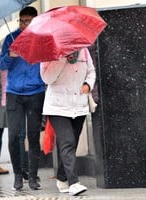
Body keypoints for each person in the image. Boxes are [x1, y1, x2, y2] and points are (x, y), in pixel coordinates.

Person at [0, 6, 46, 190]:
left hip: (36, 92)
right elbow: (1, 65)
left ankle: (32, 177)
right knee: (14, 136)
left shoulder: (41, 38)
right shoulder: (10, 39)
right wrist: (10, 55)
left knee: (33, 136)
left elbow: (48, 61)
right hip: (14, 93)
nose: (24, 24)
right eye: (21, 20)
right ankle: (18, 175)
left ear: (35, 20)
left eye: (28, 20)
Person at [40, 48, 96, 196]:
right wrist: (62, 59)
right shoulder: (48, 52)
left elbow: (91, 71)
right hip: (57, 107)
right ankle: (74, 182)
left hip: (79, 104)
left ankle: (62, 177)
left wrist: (88, 84)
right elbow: (47, 78)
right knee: (68, 142)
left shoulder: (83, 50)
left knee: (73, 143)